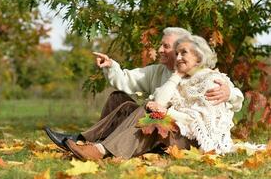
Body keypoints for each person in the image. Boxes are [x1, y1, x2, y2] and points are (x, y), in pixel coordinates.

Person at [44, 27, 243, 160]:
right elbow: (126, 80)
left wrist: (230, 94)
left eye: (166, 46)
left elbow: (203, 116)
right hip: (164, 128)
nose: (160, 50)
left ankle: (100, 150)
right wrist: (111, 66)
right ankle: (87, 142)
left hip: (182, 136)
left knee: (147, 112)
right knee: (119, 99)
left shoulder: (207, 79)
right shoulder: (160, 71)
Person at [145, 35, 244, 154]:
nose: (178, 58)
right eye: (176, 54)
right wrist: (176, 75)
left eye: (183, 53)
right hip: (178, 135)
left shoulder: (210, 81)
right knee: (141, 112)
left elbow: (196, 120)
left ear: (198, 57)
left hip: (197, 142)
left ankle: (120, 150)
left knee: (146, 116)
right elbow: (158, 103)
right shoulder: (181, 81)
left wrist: (167, 112)